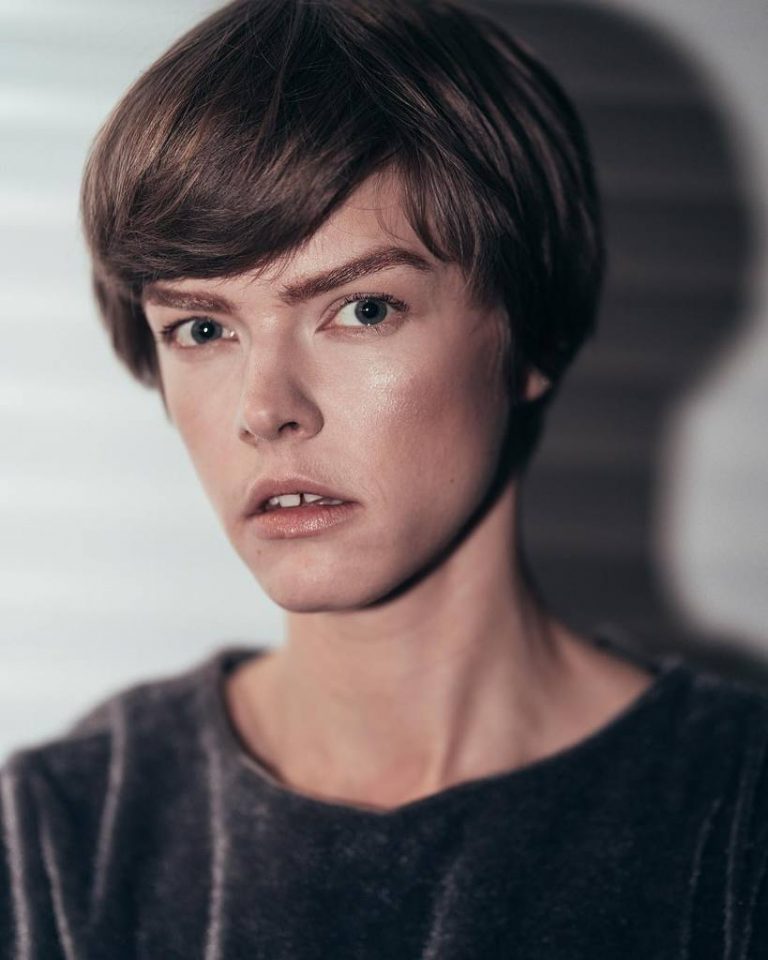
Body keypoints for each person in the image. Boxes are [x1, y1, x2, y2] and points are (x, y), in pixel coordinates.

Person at [1, 0, 767, 956]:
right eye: (202, 328)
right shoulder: (64, 836)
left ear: (532, 334)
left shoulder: (738, 815)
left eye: (362, 309)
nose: (265, 408)